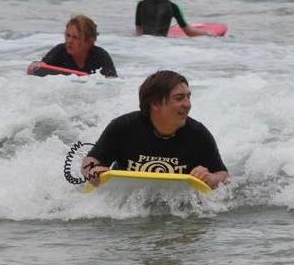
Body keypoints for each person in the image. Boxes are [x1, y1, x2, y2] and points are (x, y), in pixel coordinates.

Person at [81, 70, 229, 188]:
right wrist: (92, 172)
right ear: (155, 103)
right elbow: (91, 161)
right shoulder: (123, 127)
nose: (188, 104)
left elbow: (223, 175)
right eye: (179, 98)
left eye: (188, 97)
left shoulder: (198, 134)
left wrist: (210, 178)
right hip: (126, 199)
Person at [26, 15, 117, 77]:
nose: (69, 41)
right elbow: (40, 68)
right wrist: (34, 66)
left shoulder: (100, 56)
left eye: (75, 37)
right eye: (67, 35)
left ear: (89, 41)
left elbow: (112, 83)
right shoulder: (60, 51)